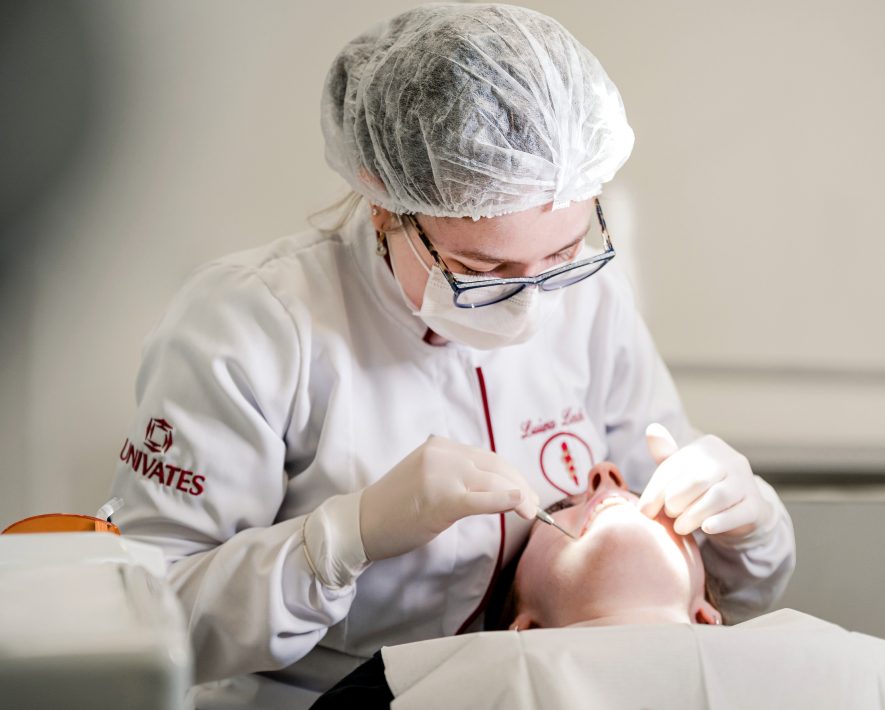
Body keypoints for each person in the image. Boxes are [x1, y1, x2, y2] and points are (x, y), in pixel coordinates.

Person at [107, 3, 795, 704]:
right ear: (383, 201)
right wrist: (342, 539)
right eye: (482, 270)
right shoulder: (257, 324)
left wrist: (749, 523)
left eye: (562, 255)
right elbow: (143, 621)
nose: (531, 305)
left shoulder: (593, 301)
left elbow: (695, 593)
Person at [312, 464, 885, 710]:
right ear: (524, 628)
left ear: (707, 613)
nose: (604, 476)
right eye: (564, 505)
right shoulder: (409, 690)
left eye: (641, 491)